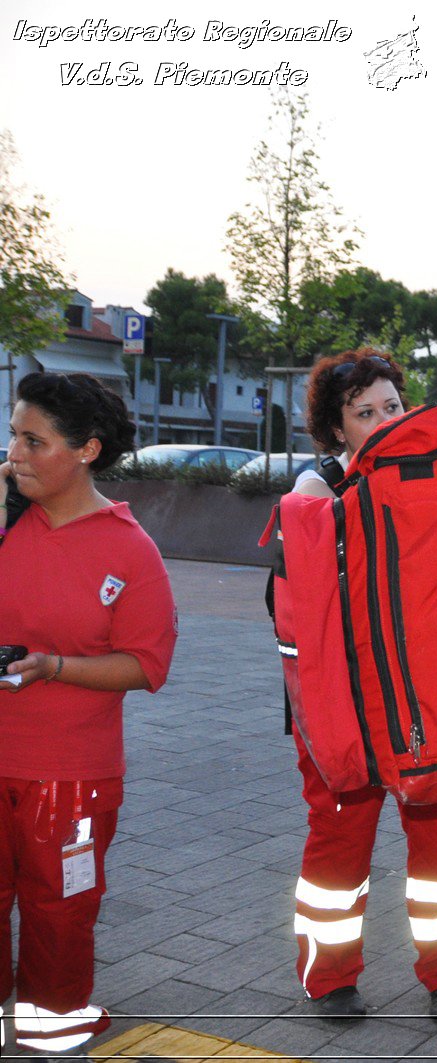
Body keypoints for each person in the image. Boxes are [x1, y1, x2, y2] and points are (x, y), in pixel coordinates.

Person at [286, 349, 437, 1021]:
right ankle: (327, 975)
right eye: (366, 412)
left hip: (422, 704)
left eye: (393, 405)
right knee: (338, 843)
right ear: (337, 432)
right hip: (346, 707)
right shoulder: (316, 493)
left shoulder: (436, 480)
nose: (386, 419)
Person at [0, 372, 177, 1053]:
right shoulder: (7, 520)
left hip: (69, 775)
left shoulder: (130, 552)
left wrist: (53, 666)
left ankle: (51, 1020)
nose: (15, 451)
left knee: (59, 907)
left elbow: (146, 664)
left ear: (86, 450)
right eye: (13, 434)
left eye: (33, 440)